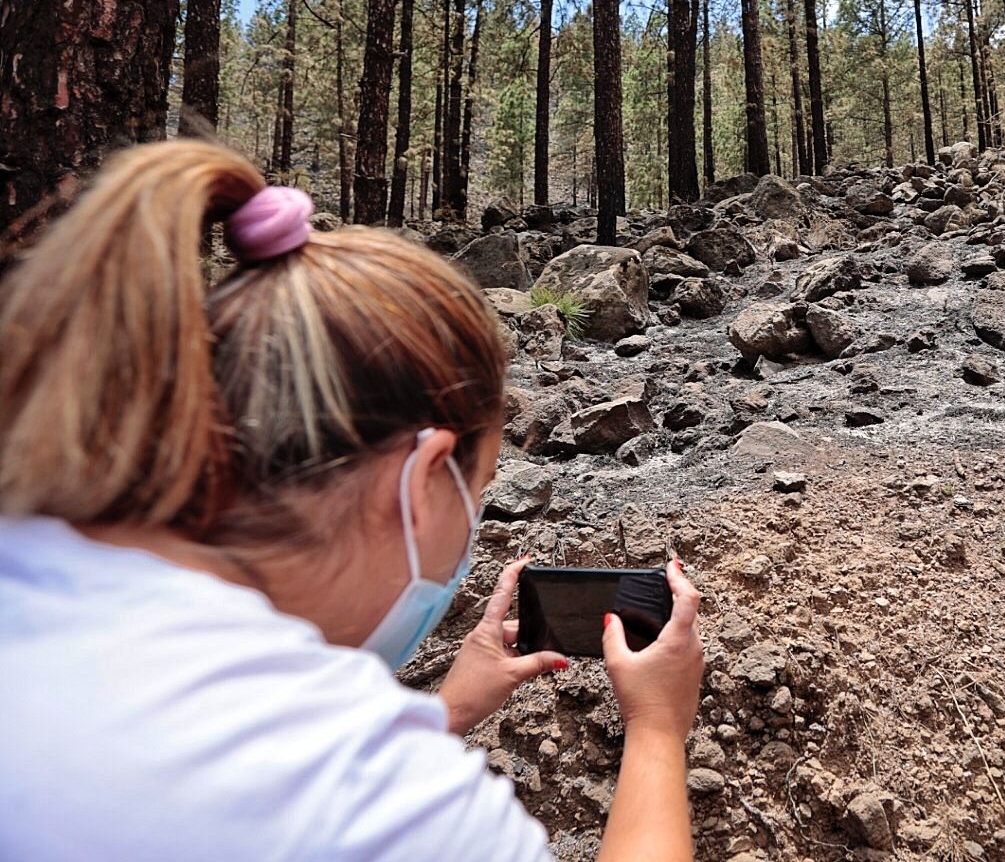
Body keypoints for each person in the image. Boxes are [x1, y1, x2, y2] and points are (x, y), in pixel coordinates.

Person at [0, 141, 705, 860]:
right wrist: (655, 728)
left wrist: (449, 711)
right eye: (479, 488)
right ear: (424, 473)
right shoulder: (374, 798)